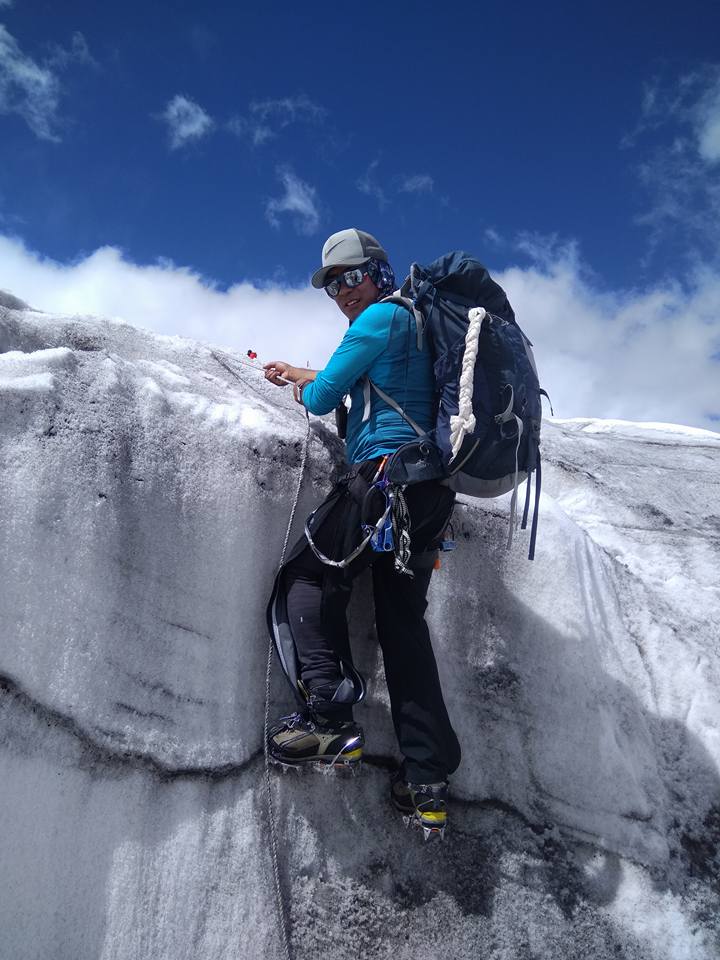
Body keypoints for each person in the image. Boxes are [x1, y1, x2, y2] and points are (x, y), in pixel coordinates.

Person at [264, 228, 460, 837]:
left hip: (385, 479)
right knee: (402, 626)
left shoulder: (378, 318)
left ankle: (326, 714)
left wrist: (302, 382)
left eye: (350, 277)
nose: (343, 293)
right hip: (429, 494)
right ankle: (426, 778)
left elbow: (324, 399)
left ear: (378, 272)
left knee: (306, 574)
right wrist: (311, 369)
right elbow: (378, 381)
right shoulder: (416, 324)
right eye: (333, 286)